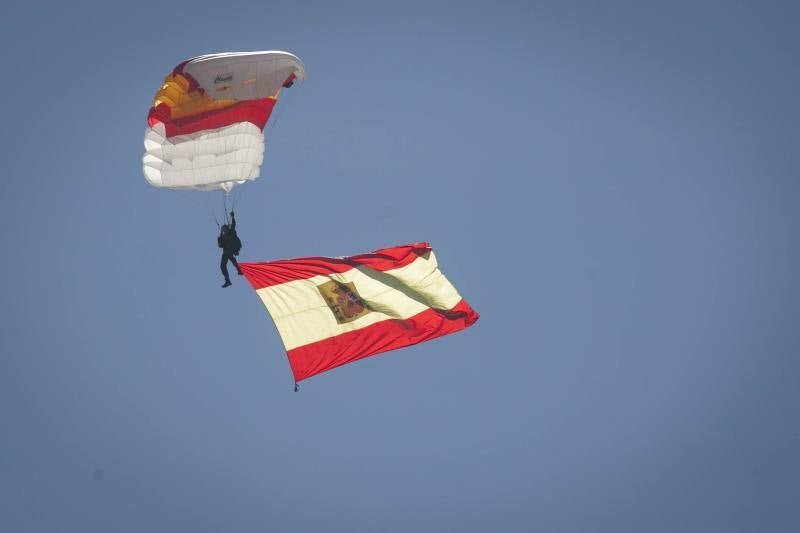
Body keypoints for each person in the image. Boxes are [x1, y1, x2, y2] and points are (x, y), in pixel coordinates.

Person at [218, 211, 243, 288]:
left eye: (224, 229)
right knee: (222, 266)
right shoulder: (221, 237)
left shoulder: (230, 232)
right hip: (226, 252)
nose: (223, 230)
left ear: (226, 228)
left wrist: (232, 217)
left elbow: (233, 225)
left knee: (230, 257)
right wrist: (220, 240)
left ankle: (239, 270)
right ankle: (227, 280)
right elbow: (220, 246)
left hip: (230, 249)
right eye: (222, 230)